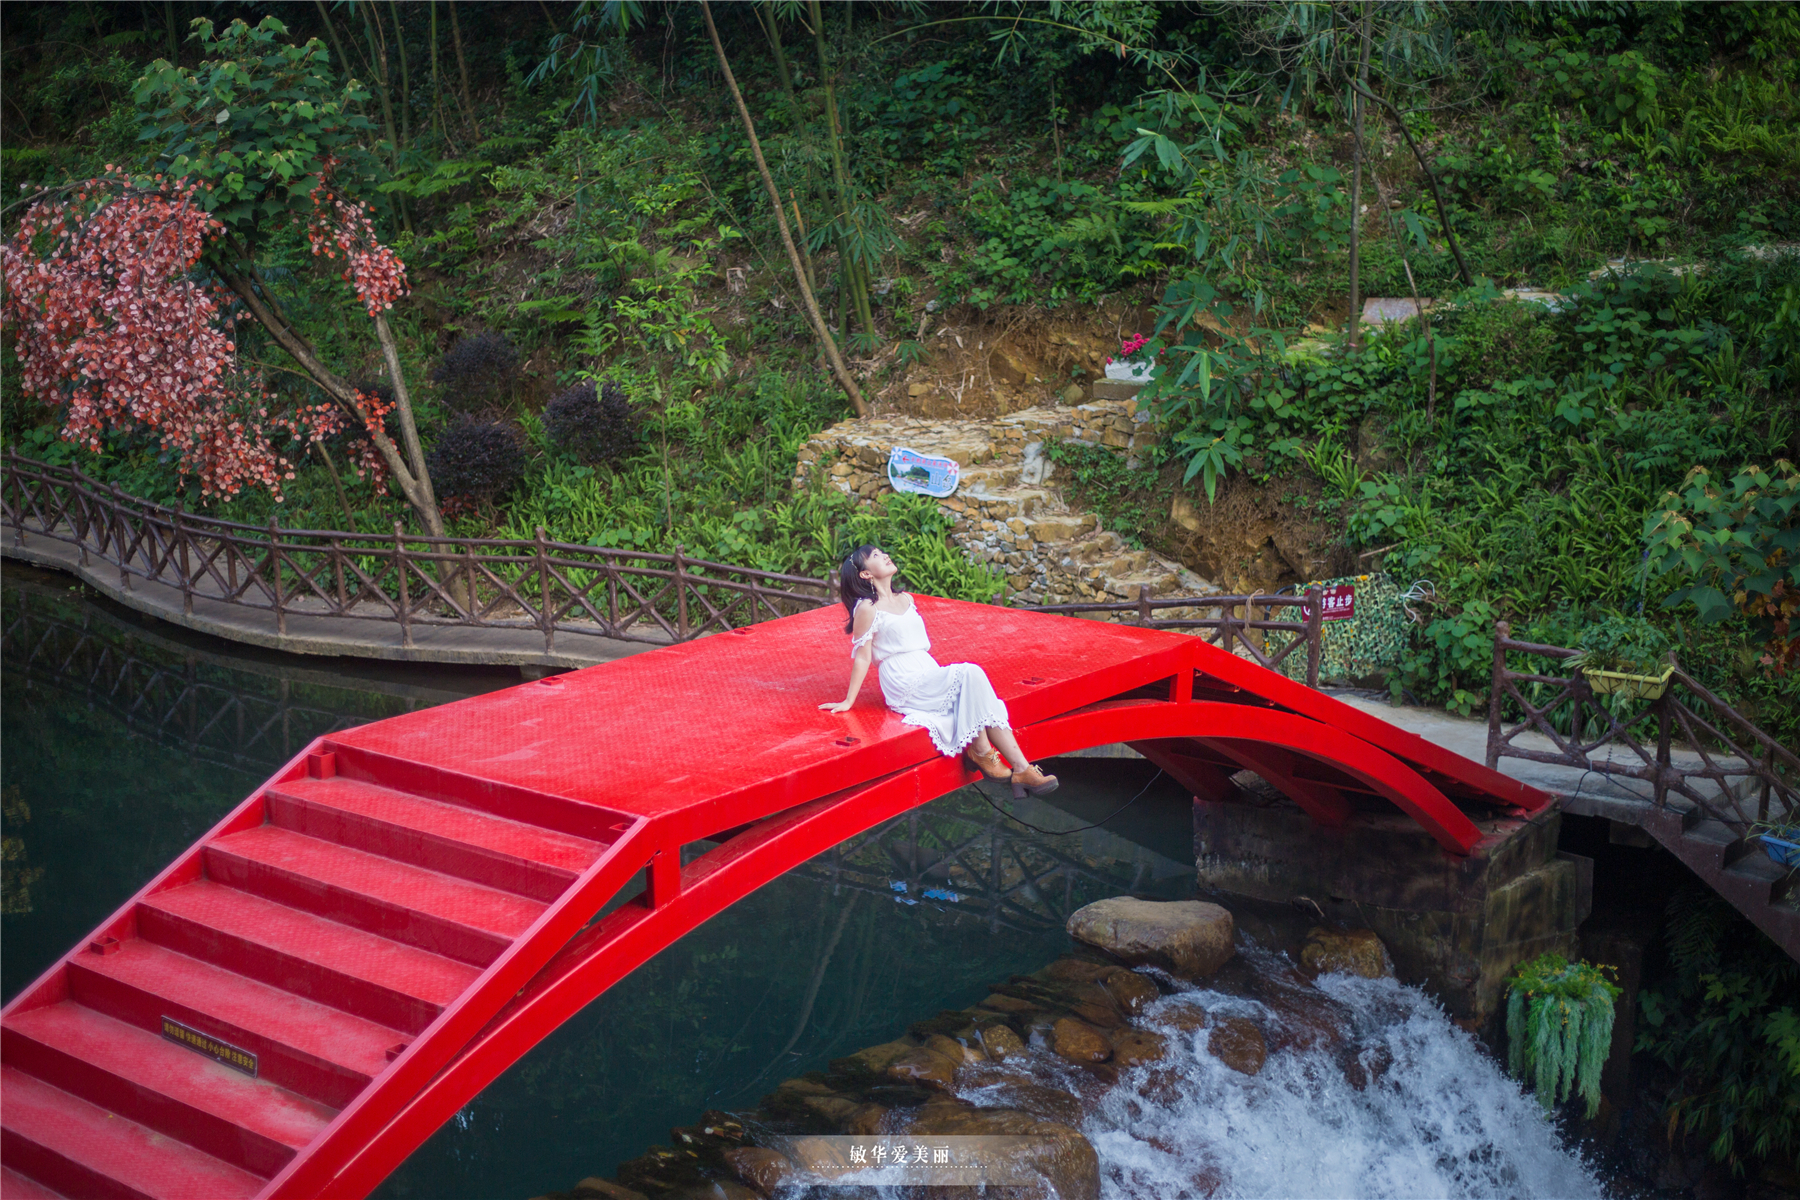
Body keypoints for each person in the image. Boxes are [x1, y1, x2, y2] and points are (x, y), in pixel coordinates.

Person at [819, 545, 1057, 798]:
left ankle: (1016, 766)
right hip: (902, 677)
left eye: (882, 552)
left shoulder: (907, 600)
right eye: (876, 556)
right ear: (866, 574)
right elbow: (863, 656)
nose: (885, 555)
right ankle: (990, 754)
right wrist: (848, 701)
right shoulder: (867, 608)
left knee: (977, 692)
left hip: (926, 667)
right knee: (970, 674)